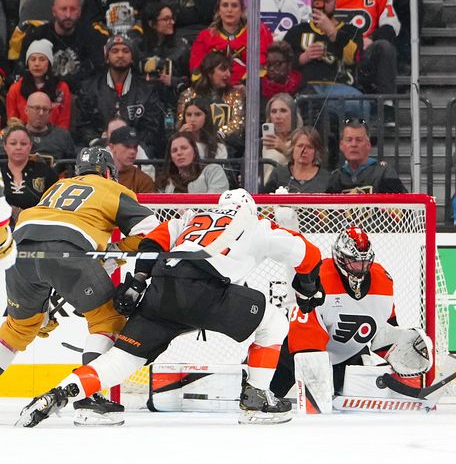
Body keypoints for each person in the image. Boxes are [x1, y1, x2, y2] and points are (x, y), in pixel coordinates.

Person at [17, 188, 326, 427]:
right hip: (205, 290)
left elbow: (151, 244)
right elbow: (307, 253)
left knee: (121, 360)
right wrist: (308, 288)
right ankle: (257, 398)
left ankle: (57, 393)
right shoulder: (258, 224)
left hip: (161, 287)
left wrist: (138, 281)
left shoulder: (192, 217)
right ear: (251, 208)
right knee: (273, 323)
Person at [0, 147, 160, 424]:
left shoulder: (57, 186)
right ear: (109, 172)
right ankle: (89, 400)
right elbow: (151, 229)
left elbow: (46, 232)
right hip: (68, 250)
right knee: (108, 319)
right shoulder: (112, 189)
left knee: (18, 328)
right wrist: (116, 251)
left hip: (20, 251)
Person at [270, 226, 431, 401]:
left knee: (358, 401)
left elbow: (387, 325)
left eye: (365, 261)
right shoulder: (319, 276)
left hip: (349, 354)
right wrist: (317, 379)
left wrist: (398, 346)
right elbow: (305, 334)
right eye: (354, 261)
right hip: (300, 352)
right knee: (270, 391)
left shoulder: (382, 279)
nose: (360, 267)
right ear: (340, 257)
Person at [284, 0, 366, 122]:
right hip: (306, 88)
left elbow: (354, 59)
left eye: (327, 0)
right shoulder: (297, 31)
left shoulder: (351, 30)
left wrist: (333, 33)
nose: (322, 5)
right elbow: (280, 63)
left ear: (335, 1)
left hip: (341, 88)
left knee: (362, 105)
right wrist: (303, 57)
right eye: (317, 0)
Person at [73, 34, 165, 158]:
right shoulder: (89, 89)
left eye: (125, 51)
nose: (120, 55)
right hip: (100, 148)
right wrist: (98, 142)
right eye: (115, 51)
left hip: (136, 150)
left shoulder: (147, 90)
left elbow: (151, 129)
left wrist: (129, 142)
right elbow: (83, 126)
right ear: (107, 57)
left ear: (132, 57)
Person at [334, 0, 400, 98]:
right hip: (335, 49)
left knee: (385, 47)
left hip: (365, 52)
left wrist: (370, 39)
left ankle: (387, 105)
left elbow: (391, 26)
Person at [14, 0, 105, 93]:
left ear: (80, 12)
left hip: (80, 97)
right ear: (54, 11)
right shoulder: (36, 37)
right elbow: (23, 71)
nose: (68, 15)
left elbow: (99, 76)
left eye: (73, 9)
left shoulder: (92, 37)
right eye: (63, 9)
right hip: (43, 97)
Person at [189, 0, 273, 87]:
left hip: (250, 90)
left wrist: (245, 85)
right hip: (212, 90)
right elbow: (196, 69)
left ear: (242, 10)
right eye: (225, 5)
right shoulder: (205, 36)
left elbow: (263, 65)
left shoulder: (257, 32)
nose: (229, 10)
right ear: (218, 10)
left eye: (234, 6)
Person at [177, 52, 244, 157]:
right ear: (209, 72)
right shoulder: (188, 95)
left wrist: (213, 136)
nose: (228, 74)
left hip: (226, 147)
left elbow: (236, 126)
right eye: (223, 69)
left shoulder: (234, 95)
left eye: (229, 70)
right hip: (193, 144)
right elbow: (181, 122)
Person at [4, 38, 71, 129]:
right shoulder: (15, 89)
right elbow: (13, 123)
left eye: (42, 59)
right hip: (24, 139)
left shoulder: (61, 88)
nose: (37, 64)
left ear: (49, 63)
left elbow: (64, 122)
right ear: (28, 63)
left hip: (54, 139)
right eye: (32, 59)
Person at [326, 117, 406, 193]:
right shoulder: (336, 178)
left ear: (368, 145)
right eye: (349, 140)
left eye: (359, 140)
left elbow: (402, 204)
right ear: (341, 146)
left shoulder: (384, 173)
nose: (354, 144)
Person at [137, 2, 191, 112]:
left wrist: (174, 81)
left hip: (173, 100)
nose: (171, 22)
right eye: (166, 19)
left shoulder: (182, 47)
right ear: (152, 23)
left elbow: (190, 79)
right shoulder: (138, 46)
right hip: (142, 101)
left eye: (172, 18)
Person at [1, 125, 58, 218]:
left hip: (36, 223)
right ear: (5, 146)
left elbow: (55, 203)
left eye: (23, 143)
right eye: (13, 143)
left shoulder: (45, 171)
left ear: (30, 146)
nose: (18, 147)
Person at [155, 131, 229, 193]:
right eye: (174, 150)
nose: (179, 153)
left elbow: (217, 202)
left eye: (184, 148)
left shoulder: (213, 171)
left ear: (194, 152)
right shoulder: (164, 182)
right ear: (171, 157)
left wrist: (188, 210)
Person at [263, 125, 330, 193]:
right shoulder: (278, 174)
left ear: (316, 151)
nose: (304, 151)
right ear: (292, 148)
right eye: (300, 146)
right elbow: (263, 200)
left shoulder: (327, 178)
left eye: (309, 147)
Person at [23, 91, 75, 162]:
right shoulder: (12, 135)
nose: (41, 113)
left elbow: (72, 165)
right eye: (36, 108)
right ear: (26, 110)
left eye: (45, 110)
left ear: (50, 113)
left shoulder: (62, 136)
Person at [262, 92, 301, 182]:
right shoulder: (263, 142)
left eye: (283, 111)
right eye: (273, 111)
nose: (278, 116)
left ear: (294, 115)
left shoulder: (302, 139)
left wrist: (285, 149)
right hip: (265, 193)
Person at [107, 125, 155, 193]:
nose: (133, 151)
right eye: (127, 146)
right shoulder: (99, 175)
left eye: (135, 147)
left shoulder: (143, 180)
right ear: (112, 147)